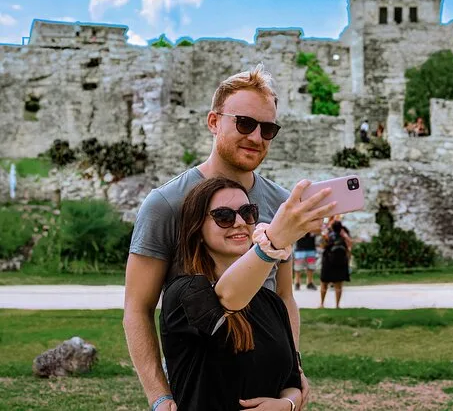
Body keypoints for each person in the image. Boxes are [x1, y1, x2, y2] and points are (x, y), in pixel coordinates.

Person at [123, 64, 315, 411]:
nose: (256, 137)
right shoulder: (166, 203)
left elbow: (283, 295)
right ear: (214, 122)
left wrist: (291, 377)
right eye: (244, 123)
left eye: (268, 129)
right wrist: (159, 397)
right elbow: (138, 307)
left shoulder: (280, 202)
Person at [160, 176, 335, 410]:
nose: (240, 222)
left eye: (248, 212)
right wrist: (272, 244)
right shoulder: (182, 293)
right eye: (224, 216)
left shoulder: (271, 302)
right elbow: (225, 299)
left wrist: (287, 404)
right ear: (197, 230)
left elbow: (292, 381)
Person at [319, 219, 352, 309]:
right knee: (338, 285)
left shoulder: (328, 235)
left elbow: (322, 246)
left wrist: (324, 237)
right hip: (341, 263)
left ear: (332, 227)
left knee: (324, 284)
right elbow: (349, 246)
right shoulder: (344, 236)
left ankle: (322, 304)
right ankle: (337, 305)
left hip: (328, 262)